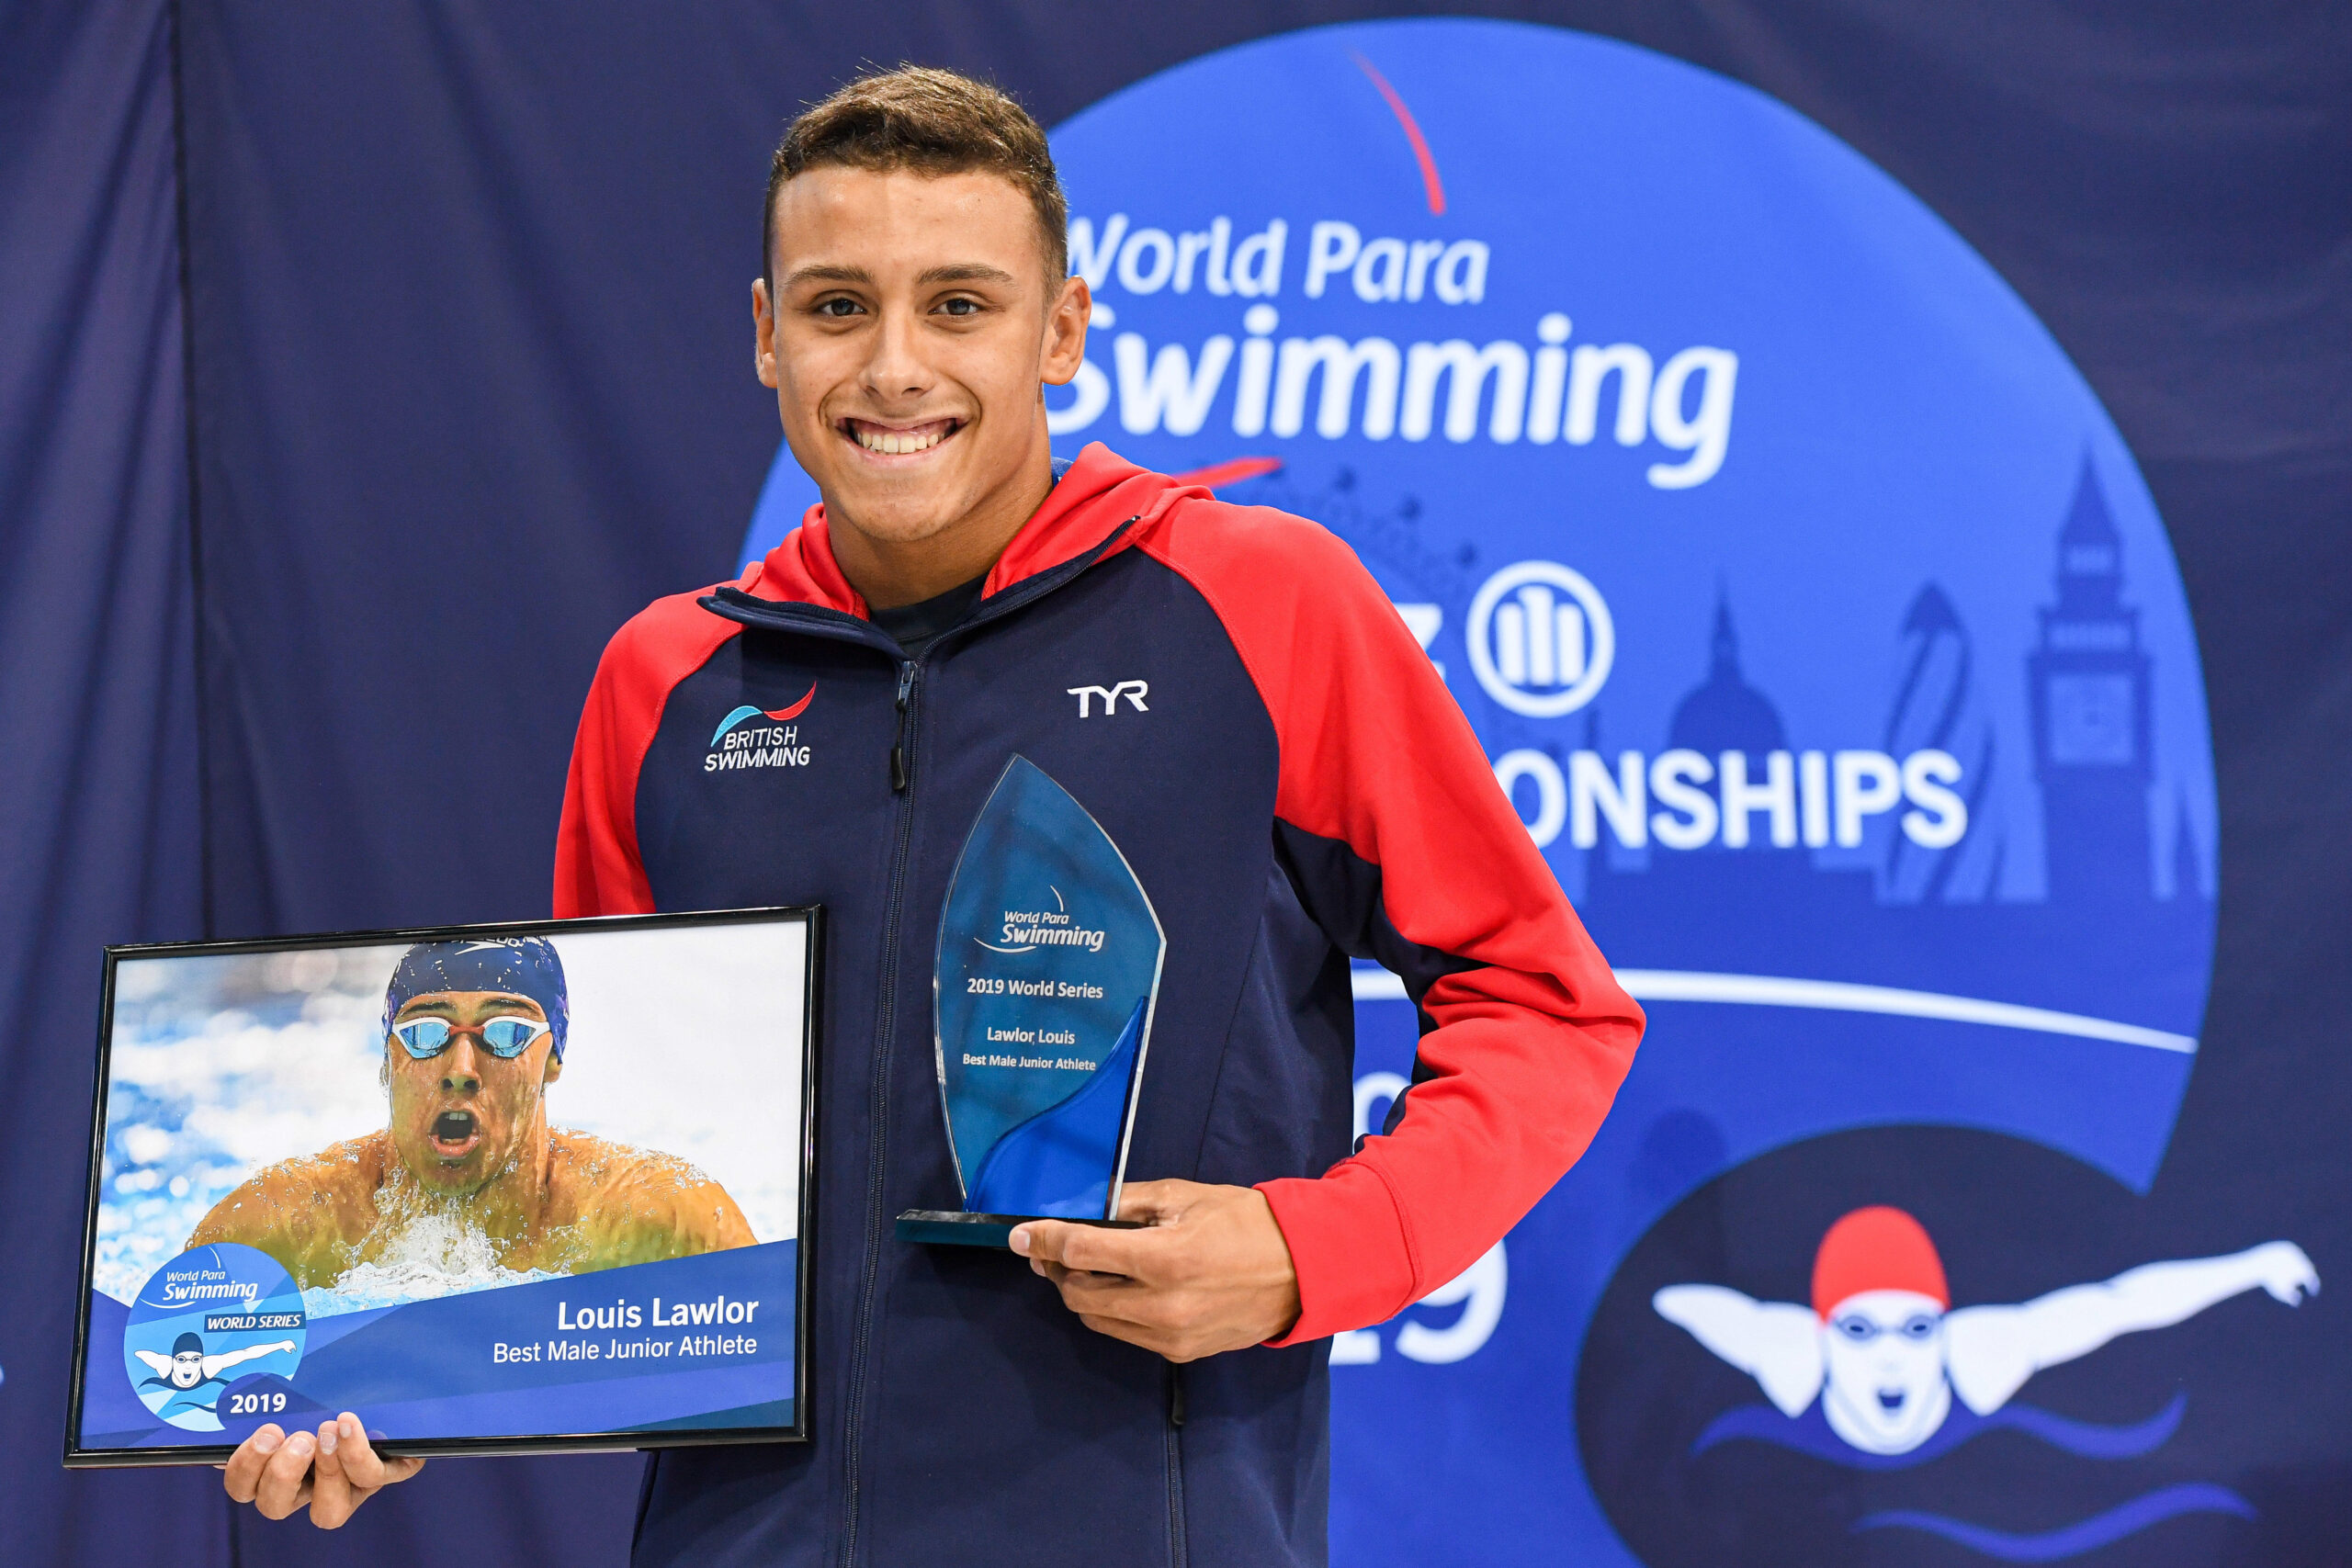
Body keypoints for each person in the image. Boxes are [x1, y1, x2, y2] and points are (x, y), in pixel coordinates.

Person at [221, 66, 1644, 1557]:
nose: (896, 367)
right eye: (838, 306)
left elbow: (1549, 1005)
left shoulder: (1262, 607)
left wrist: (1311, 1247)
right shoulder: (669, 679)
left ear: (1064, 332)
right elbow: (570, 1149)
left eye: (959, 304)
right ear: (767, 338)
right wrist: (388, 1371)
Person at [190, 937, 753, 1289]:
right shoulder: (275, 1230)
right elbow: (153, 1393)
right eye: (426, 1032)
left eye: (505, 1032)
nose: (460, 1066)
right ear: (388, 1059)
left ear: (552, 1058)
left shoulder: (660, 1224)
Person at [1656, 1204, 2322, 1456]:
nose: (1890, 1355)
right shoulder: (1786, 1354)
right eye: (1860, 1329)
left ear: (1946, 1329)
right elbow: (1690, 1303)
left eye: (1916, 1327)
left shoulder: (1984, 1353)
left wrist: (2251, 1265)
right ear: (1823, 1332)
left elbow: (2121, 1302)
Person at [132, 1332, 298, 1420]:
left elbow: (246, 1354)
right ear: (174, 1360)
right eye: (181, 1359)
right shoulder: (163, 1365)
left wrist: (280, 1345)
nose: (188, 1365)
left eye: (195, 1359)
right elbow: (140, 1352)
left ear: (202, 1359)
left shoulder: (210, 1366)